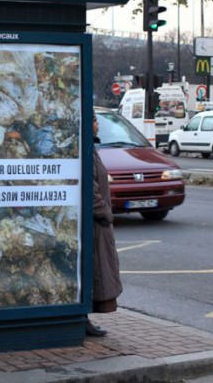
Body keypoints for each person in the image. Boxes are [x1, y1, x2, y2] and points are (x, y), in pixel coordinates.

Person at [89, 114, 123, 336]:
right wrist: (105, 213)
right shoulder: (86, 150)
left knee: (96, 272)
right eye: (93, 120)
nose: (97, 123)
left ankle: (85, 317)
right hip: (94, 226)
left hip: (98, 225)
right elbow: (90, 191)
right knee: (94, 272)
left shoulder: (91, 148)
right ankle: (82, 317)